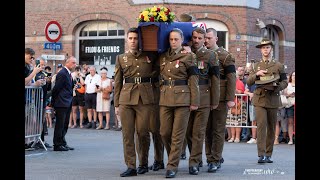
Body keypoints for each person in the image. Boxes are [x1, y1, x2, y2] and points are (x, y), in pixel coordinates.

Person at [114, 27, 157, 177]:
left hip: (145, 98)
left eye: (135, 38)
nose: (133, 41)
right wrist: (116, 104)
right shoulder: (121, 58)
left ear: (140, 40)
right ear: (127, 40)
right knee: (127, 134)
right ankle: (131, 166)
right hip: (126, 98)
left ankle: (143, 163)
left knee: (143, 133)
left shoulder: (150, 56)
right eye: (130, 38)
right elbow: (118, 82)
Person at [158, 28, 200, 178]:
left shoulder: (189, 57)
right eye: (171, 39)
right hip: (165, 98)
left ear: (182, 40)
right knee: (164, 132)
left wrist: (195, 101)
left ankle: (172, 166)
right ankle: (173, 157)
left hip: (183, 99)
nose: (173, 42)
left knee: (178, 134)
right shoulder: (162, 57)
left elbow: (194, 80)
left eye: (176, 39)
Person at [246, 38, 288, 163]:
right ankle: (261, 154)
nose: (265, 50)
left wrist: (277, 87)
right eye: (263, 48)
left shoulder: (278, 65)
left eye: (268, 47)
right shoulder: (255, 66)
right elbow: (249, 82)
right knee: (261, 126)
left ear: (271, 49)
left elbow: (285, 81)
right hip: (259, 98)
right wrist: (256, 74)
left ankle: (268, 154)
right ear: (261, 50)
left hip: (273, 98)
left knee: (271, 127)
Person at [185, 27, 220, 175]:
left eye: (201, 38)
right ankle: (197, 158)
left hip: (204, 97)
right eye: (195, 38)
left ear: (204, 39)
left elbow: (215, 79)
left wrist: (215, 100)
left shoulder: (210, 55)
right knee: (188, 132)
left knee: (199, 132)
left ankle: (194, 162)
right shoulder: (185, 53)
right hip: (186, 97)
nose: (197, 40)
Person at [204, 28, 236, 172]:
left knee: (217, 129)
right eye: (205, 38)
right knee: (206, 129)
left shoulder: (225, 56)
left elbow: (231, 78)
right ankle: (210, 156)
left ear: (216, 39)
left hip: (221, 98)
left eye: (209, 38)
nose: (206, 40)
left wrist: (230, 98)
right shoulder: (202, 55)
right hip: (205, 97)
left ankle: (215, 159)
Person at [51, 56, 77, 151]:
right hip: (61, 102)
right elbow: (56, 89)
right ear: (67, 63)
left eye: (75, 63)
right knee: (60, 124)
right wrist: (53, 102)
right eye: (73, 63)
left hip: (67, 102)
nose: (75, 65)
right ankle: (57, 144)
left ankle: (62, 142)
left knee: (65, 124)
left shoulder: (68, 73)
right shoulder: (62, 73)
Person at [284, 71, 295, 145]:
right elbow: (284, 94)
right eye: (293, 75)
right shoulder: (288, 85)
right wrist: (289, 95)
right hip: (290, 105)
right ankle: (291, 139)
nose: (294, 77)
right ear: (291, 76)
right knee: (290, 123)